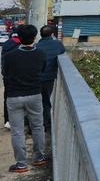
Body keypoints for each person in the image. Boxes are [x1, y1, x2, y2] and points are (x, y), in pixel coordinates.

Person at [2, 24, 49, 173]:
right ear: (35, 37)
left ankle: (21, 164)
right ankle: (39, 158)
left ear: (18, 38)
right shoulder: (41, 53)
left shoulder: (10, 56)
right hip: (34, 95)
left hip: (14, 96)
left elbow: (5, 74)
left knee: (17, 130)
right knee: (37, 126)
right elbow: (42, 70)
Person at [35, 24, 66, 131]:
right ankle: (44, 123)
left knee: (35, 102)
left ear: (40, 35)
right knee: (46, 101)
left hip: (35, 79)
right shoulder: (57, 44)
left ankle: (32, 125)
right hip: (48, 79)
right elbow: (62, 51)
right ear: (52, 34)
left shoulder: (36, 46)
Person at [1, 30, 21, 129]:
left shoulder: (5, 45)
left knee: (7, 98)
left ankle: (7, 121)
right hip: (19, 77)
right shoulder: (21, 45)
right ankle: (17, 121)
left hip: (7, 76)